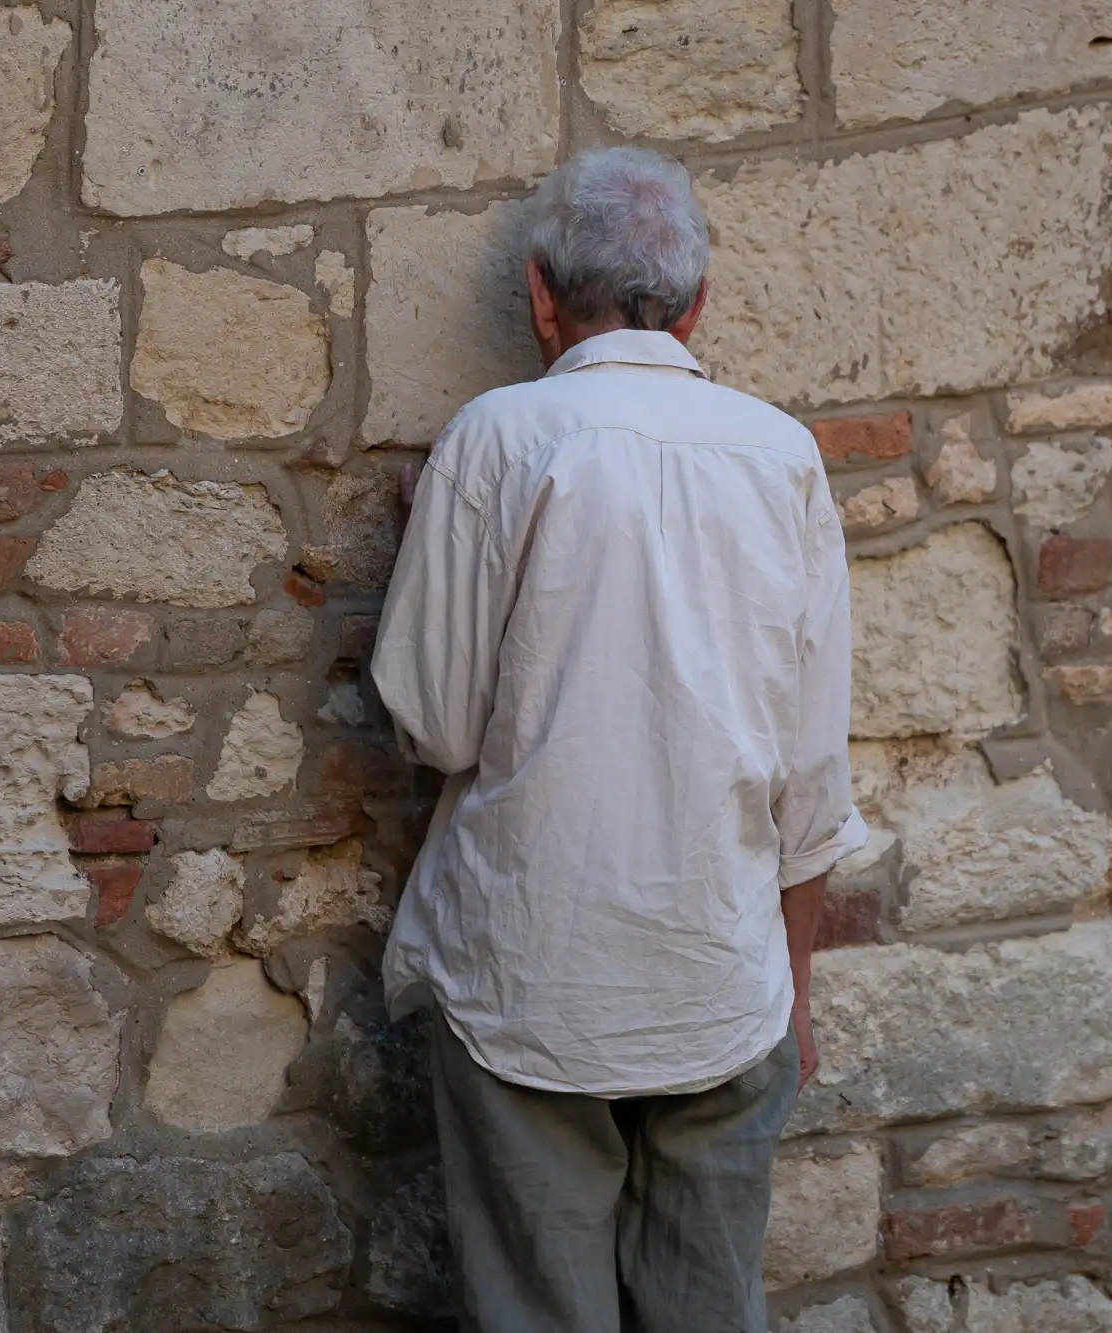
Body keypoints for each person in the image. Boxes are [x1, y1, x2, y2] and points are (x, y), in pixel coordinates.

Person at [371, 145, 868, 1333]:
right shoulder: (781, 454)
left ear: (542, 297)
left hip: (531, 982)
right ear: (698, 304)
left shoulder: (497, 441)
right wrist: (789, 986)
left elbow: (431, 728)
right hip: (715, 978)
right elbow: (809, 778)